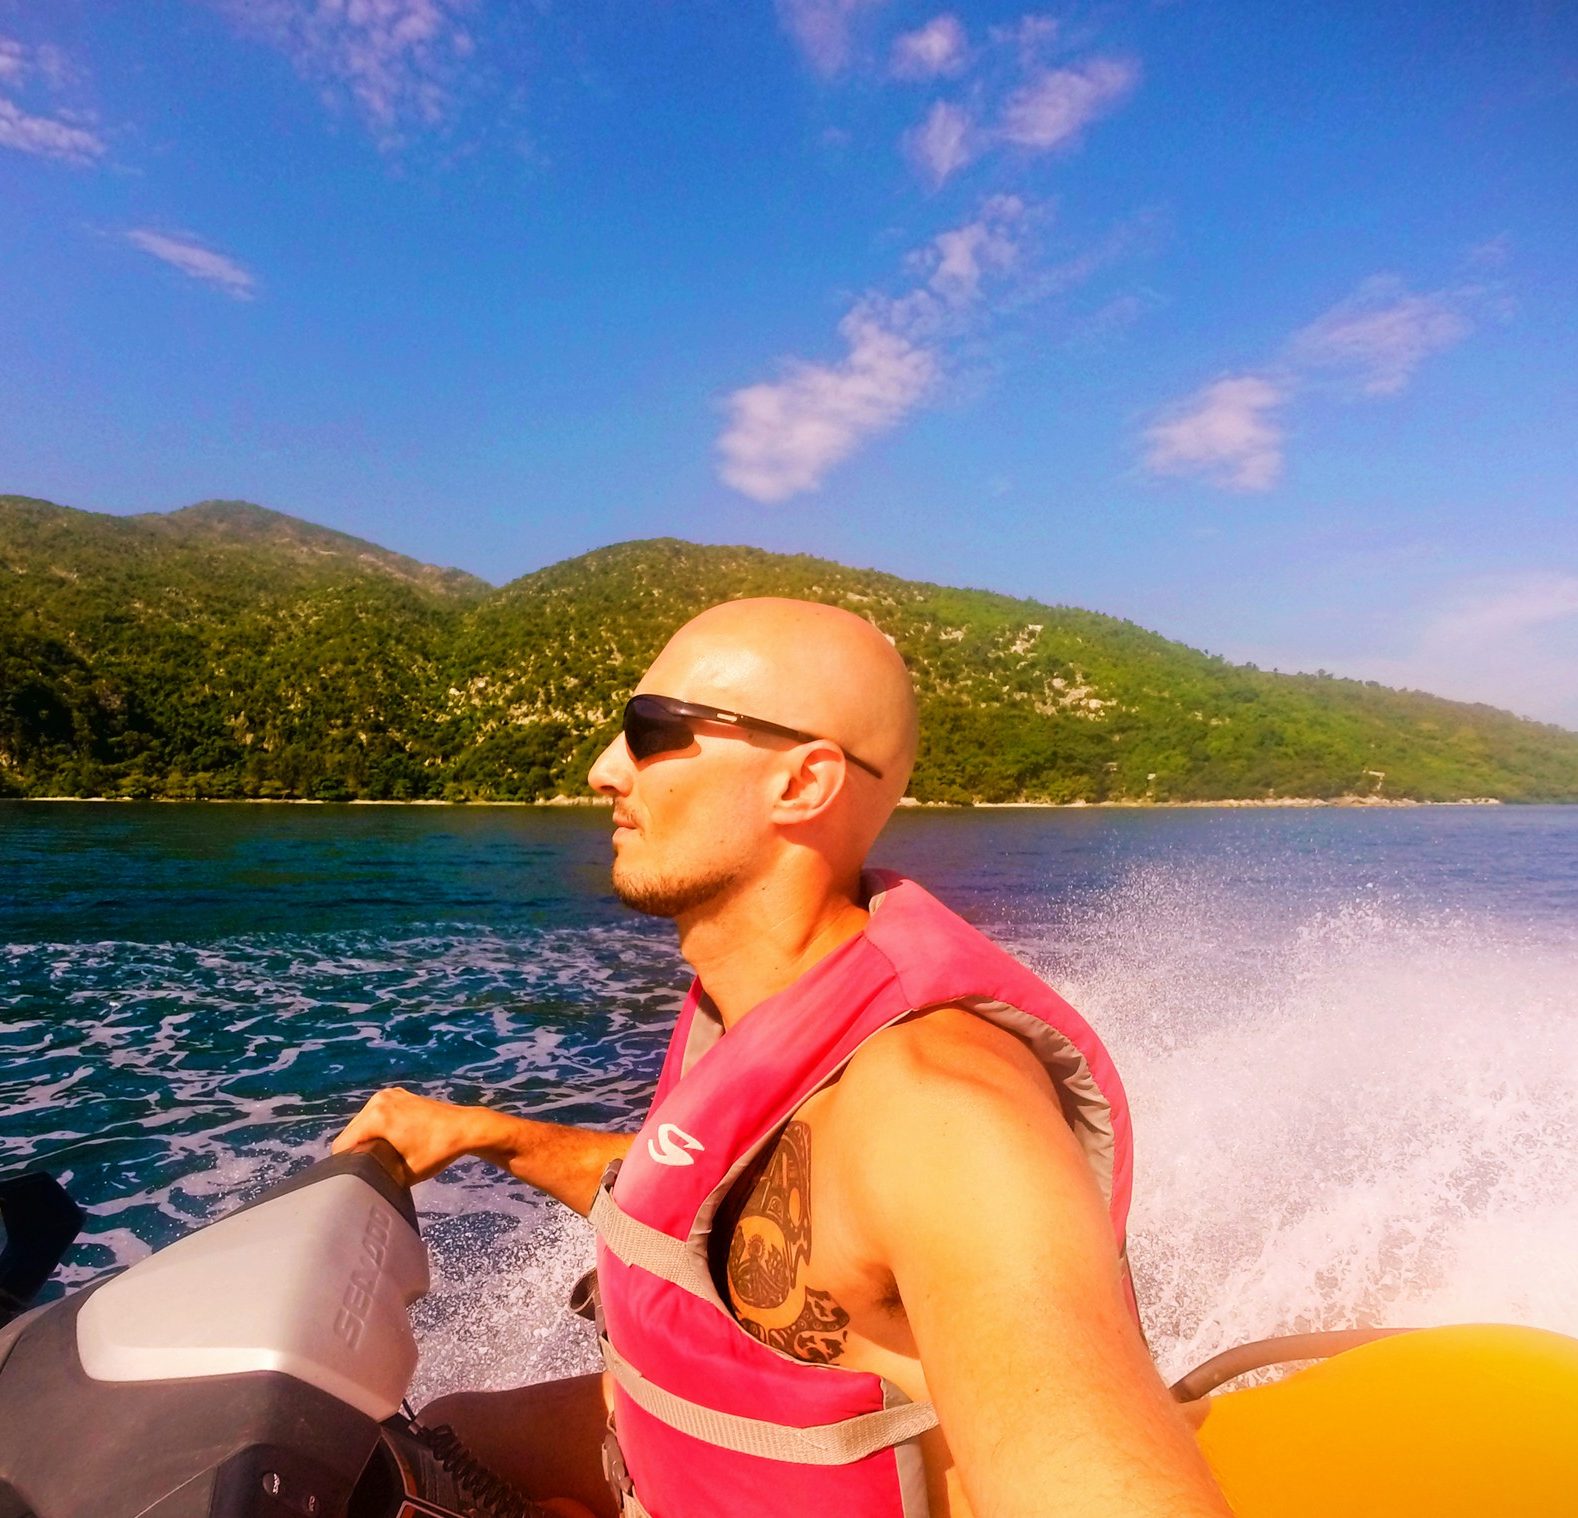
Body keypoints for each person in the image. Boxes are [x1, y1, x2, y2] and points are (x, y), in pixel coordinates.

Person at [334, 597, 1230, 1518]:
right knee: (440, 1442)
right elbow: (739, 1206)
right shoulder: (759, 1007)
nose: (606, 772)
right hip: (661, 1471)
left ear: (802, 785)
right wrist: (490, 1135)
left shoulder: (943, 1111)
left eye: (651, 734)